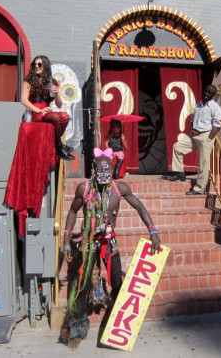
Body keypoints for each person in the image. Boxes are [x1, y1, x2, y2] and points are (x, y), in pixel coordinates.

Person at [59, 148, 161, 350]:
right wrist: (65, 239)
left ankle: (118, 325)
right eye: (101, 169)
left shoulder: (120, 188)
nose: (104, 173)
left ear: (113, 170)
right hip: (89, 242)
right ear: (94, 170)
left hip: (109, 242)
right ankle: (77, 327)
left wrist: (153, 230)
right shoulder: (84, 188)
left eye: (108, 169)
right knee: (83, 284)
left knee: (116, 280)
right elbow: (72, 211)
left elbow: (140, 207)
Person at [164, 84, 221, 195]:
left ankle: (199, 188)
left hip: (205, 136)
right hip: (194, 135)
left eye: (209, 93)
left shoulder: (215, 108)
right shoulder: (198, 105)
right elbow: (192, 120)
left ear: (213, 95)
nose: (206, 94)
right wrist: (191, 128)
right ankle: (179, 173)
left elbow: (217, 125)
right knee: (177, 147)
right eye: (206, 91)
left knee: (203, 163)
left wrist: (209, 138)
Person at [20, 55, 75, 161]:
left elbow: (59, 105)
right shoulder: (29, 79)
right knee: (56, 118)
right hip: (33, 112)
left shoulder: (52, 82)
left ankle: (57, 145)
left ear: (45, 66)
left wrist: (57, 93)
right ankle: (59, 146)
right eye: (34, 64)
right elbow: (23, 100)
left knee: (65, 116)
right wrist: (39, 110)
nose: (36, 66)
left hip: (46, 111)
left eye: (39, 64)